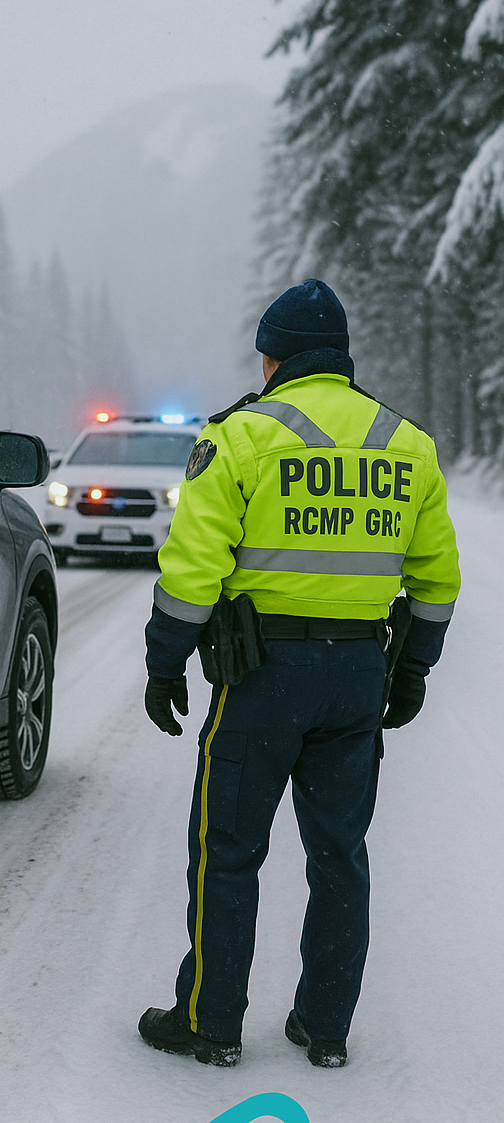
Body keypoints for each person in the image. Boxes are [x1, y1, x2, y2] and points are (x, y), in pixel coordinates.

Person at [138, 279, 460, 1068]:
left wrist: (165, 660)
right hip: (357, 673)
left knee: (229, 851)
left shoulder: (244, 436)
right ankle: (325, 1028)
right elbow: (437, 577)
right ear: (341, 358)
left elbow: (193, 570)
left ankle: (211, 1025)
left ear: (273, 355)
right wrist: (410, 668)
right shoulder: (405, 445)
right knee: (339, 854)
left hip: (262, 674)